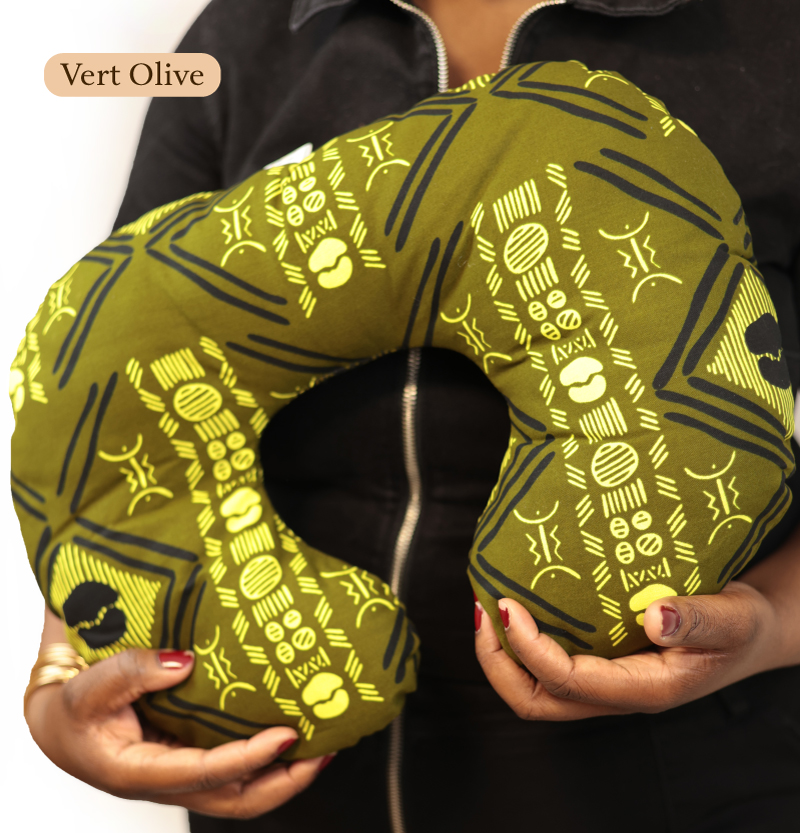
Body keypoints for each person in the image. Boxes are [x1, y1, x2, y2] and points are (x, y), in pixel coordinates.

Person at [23, 1, 800, 831]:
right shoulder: (243, 32)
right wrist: (56, 686)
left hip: (670, 788)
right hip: (293, 801)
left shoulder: (771, 34)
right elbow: (109, 388)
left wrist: (770, 625)